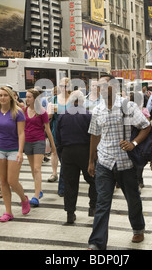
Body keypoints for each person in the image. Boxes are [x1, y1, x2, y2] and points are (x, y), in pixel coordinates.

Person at [87, 74, 151, 250]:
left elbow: (146, 126)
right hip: (105, 162)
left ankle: (138, 228)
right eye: (97, 86)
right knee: (102, 202)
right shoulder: (97, 110)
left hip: (126, 163)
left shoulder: (127, 106)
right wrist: (91, 161)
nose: (100, 89)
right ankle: (97, 243)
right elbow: (95, 134)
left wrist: (133, 143)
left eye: (104, 85)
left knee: (132, 198)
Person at [0, 87, 30, 221]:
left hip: (14, 149)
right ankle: (8, 212)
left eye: (5, 95)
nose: (2, 98)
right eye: (0, 95)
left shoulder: (18, 112)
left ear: (10, 97)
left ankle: (23, 199)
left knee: (12, 181)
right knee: (3, 181)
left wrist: (20, 151)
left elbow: (21, 133)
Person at [55, 90, 96, 223]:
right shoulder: (89, 115)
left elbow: (58, 137)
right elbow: (93, 136)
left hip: (68, 152)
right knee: (93, 180)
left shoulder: (62, 116)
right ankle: (93, 208)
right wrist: (93, 156)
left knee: (69, 183)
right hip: (85, 151)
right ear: (82, 101)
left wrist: (62, 151)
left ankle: (70, 213)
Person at [24, 88, 56, 207]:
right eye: (26, 97)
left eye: (29, 97)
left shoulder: (42, 112)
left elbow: (47, 129)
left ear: (35, 99)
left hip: (39, 141)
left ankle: (36, 196)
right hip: (27, 141)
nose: (27, 99)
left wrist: (53, 146)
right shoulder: (23, 111)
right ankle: (40, 190)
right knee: (33, 169)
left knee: (37, 168)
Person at [47, 78, 71, 191]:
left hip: (71, 132)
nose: (63, 88)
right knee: (63, 160)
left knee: (66, 161)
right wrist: (49, 111)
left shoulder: (73, 99)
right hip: (57, 133)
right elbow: (48, 117)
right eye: (61, 85)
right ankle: (63, 186)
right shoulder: (54, 99)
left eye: (65, 86)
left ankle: (63, 187)